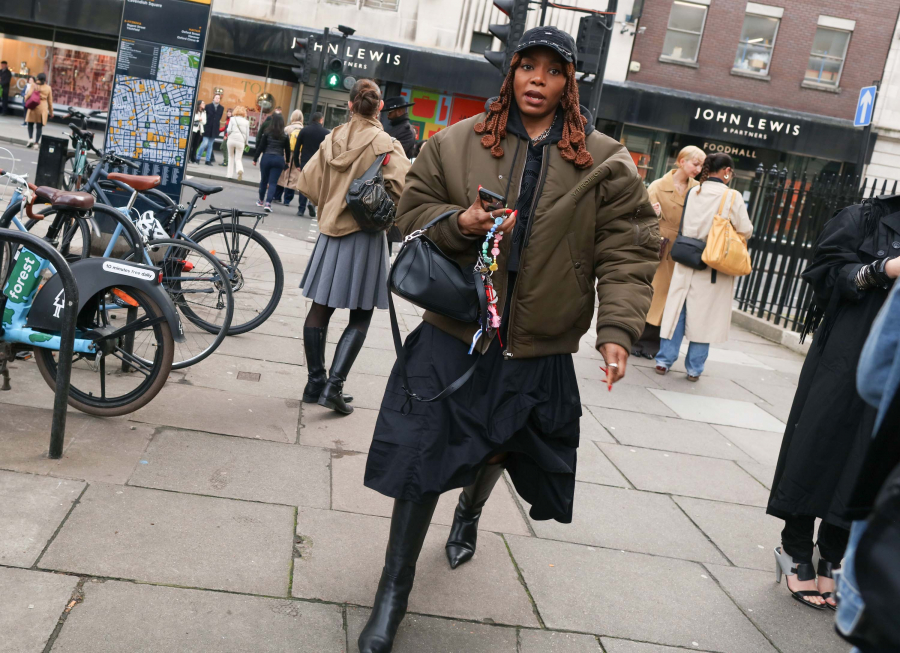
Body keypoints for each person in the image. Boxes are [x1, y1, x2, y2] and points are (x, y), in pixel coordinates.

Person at [358, 27, 659, 653]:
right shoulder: (457, 141)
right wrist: (457, 222)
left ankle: (469, 511)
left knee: (499, 446)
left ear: (568, 83)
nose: (537, 80)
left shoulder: (604, 158)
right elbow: (409, 214)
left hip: (537, 344)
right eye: (528, 67)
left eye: (553, 71)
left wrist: (617, 331)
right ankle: (393, 590)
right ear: (512, 73)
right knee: (419, 458)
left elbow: (627, 248)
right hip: (457, 333)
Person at [767, 193, 900, 609]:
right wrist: (882, 270)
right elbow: (825, 275)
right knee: (818, 445)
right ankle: (796, 551)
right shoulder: (866, 217)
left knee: (868, 461)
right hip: (846, 354)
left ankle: (834, 559)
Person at [296, 79, 409, 418]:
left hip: (330, 235)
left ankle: (314, 382)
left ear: (349, 106)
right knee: (361, 314)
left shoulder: (332, 138)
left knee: (320, 309)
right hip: (365, 235)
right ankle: (334, 386)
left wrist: (331, 204)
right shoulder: (385, 143)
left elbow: (308, 181)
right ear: (378, 109)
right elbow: (406, 186)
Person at [655, 152, 751, 381]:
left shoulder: (694, 191)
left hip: (686, 256)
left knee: (677, 310)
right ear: (726, 171)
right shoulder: (732, 197)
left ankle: (664, 360)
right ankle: (694, 369)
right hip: (712, 262)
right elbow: (746, 229)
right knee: (704, 316)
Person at [632, 145, 705, 359]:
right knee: (651, 293)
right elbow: (640, 212)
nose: (698, 169)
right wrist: (651, 212)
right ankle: (637, 340)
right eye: (695, 163)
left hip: (681, 250)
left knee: (670, 298)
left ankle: (654, 344)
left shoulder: (697, 189)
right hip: (658, 245)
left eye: (701, 165)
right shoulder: (658, 185)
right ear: (682, 161)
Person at [293, 111, 329, 218]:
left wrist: (297, 163)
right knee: (316, 185)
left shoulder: (304, 130)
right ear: (321, 120)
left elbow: (297, 148)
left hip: (305, 161)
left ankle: (301, 208)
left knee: (304, 184)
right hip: (319, 162)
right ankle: (312, 203)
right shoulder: (326, 133)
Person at [252, 112, 290, 212]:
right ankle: (268, 203)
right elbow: (288, 150)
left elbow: (261, 146)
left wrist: (255, 158)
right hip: (278, 159)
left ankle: (260, 201)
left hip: (267, 158)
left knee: (264, 181)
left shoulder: (267, 132)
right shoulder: (285, 135)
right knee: (273, 183)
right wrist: (288, 162)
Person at [273, 109, 304, 205]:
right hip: (298, 154)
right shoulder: (303, 130)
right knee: (294, 176)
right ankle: (287, 199)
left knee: (282, 174)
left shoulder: (287, 128)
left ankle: (277, 196)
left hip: (286, 153)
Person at [24, 72, 53, 149]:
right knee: (39, 127)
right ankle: (36, 143)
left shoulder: (34, 85)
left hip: (33, 106)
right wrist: (51, 112)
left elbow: (29, 94)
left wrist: (25, 99)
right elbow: (50, 102)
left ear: (37, 78)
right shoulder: (48, 88)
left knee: (30, 123)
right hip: (42, 108)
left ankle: (30, 139)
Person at [197, 93, 224, 165]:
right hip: (207, 127)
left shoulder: (221, 108)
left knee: (210, 145)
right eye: (216, 98)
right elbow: (205, 116)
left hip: (215, 129)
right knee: (204, 143)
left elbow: (219, 118)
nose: (217, 99)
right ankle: (198, 158)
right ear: (213, 98)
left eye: (218, 98)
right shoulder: (208, 106)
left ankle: (208, 160)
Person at [225, 105, 250, 181]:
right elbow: (247, 134)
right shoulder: (246, 122)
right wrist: (246, 143)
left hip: (231, 139)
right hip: (241, 141)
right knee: (238, 158)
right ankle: (240, 169)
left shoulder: (232, 119)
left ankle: (229, 175)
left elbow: (228, 130)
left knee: (230, 156)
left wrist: (229, 136)